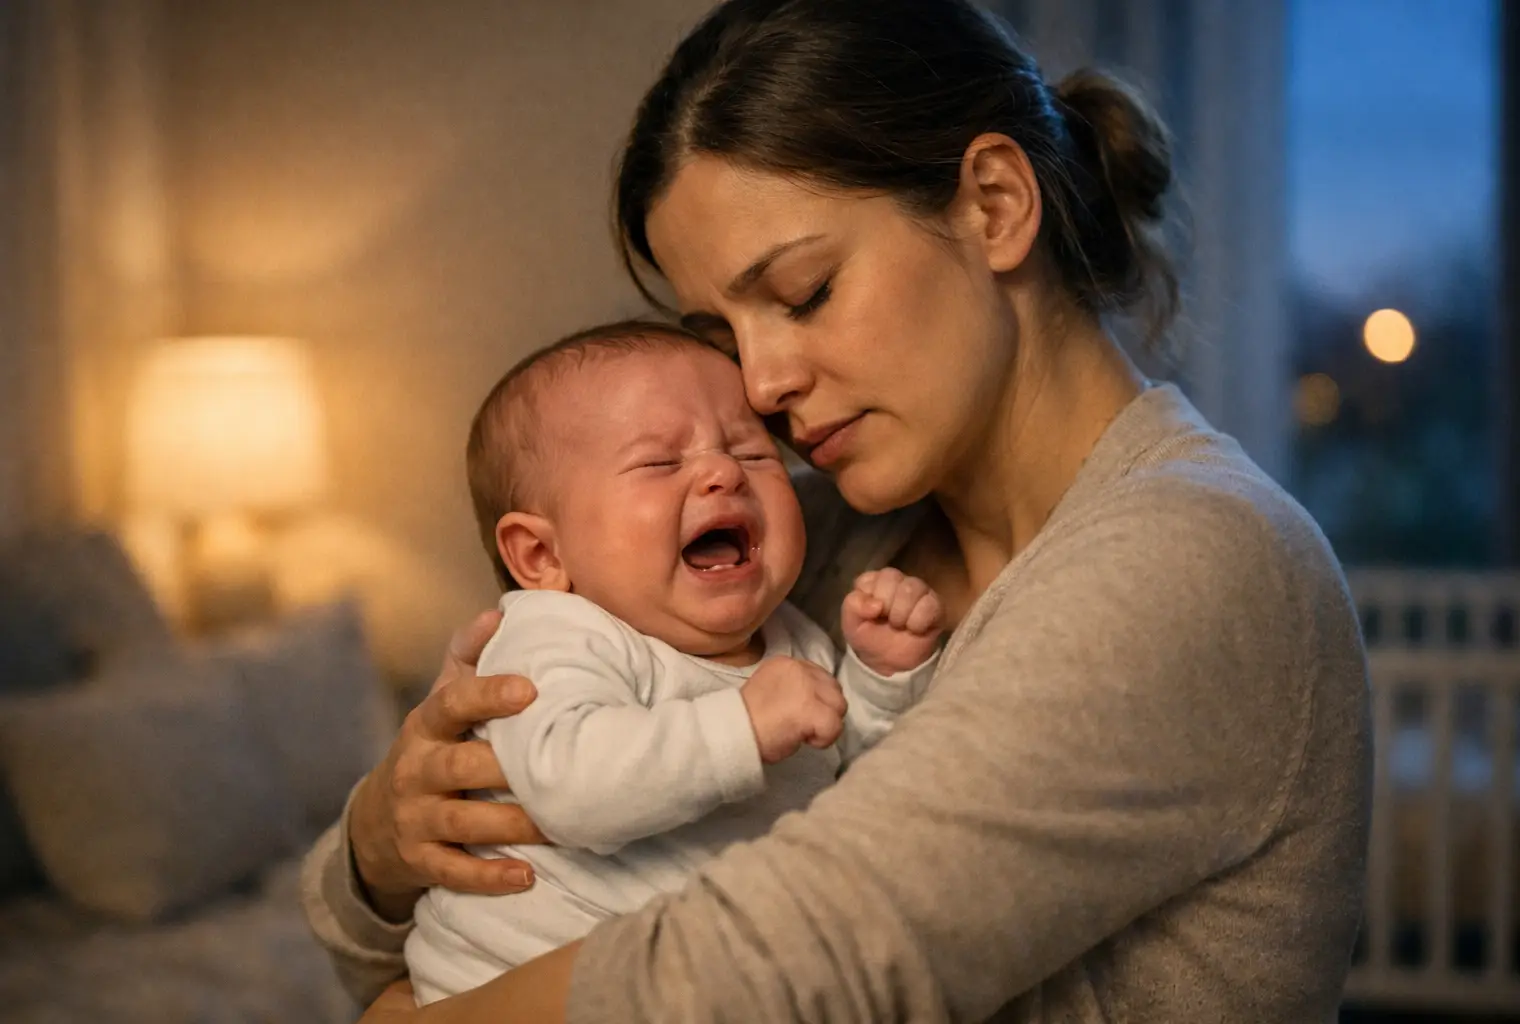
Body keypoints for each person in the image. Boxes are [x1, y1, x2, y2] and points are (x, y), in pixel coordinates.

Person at [303, 0, 1373, 1020]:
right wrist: (381, 843)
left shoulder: (1203, 558)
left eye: (806, 292)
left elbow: (790, 968)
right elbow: (389, 925)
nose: (759, 387)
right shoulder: (799, 545)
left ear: (995, 205)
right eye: (723, 335)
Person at [404, 321, 943, 1003]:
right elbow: (571, 787)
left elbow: (837, 790)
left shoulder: (793, 636)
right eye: (660, 463)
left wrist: (879, 684)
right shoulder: (554, 634)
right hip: (501, 986)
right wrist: (742, 726)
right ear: (542, 557)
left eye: (752, 454)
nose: (722, 473)